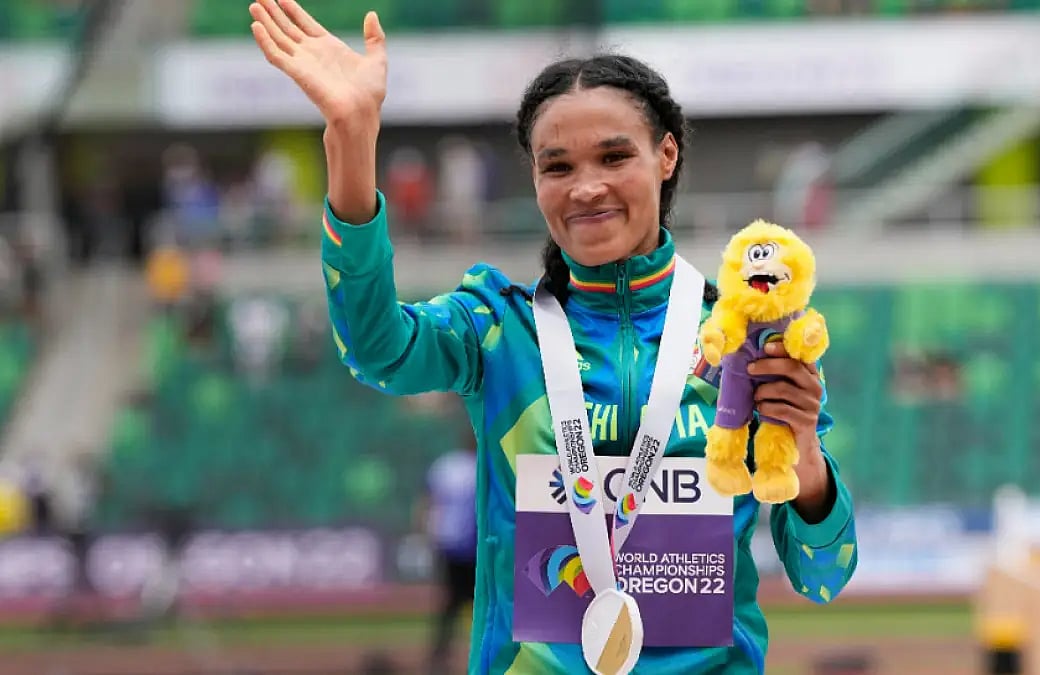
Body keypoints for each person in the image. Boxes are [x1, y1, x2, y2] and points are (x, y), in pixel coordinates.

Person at [248, 2, 858, 673]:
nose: (586, 186)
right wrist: (353, 140)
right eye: (557, 166)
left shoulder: (744, 338)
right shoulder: (497, 329)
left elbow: (824, 573)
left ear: (666, 154)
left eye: (614, 155)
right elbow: (375, 349)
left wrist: (802, 456)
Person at [419, 432, 479, 674]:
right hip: (470, 546)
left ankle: (439, 656)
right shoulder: (482, 465)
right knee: (476, 601)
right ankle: (483, 652)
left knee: (451, 603)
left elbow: (428, 501)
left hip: (449, 543)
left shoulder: (446, 465)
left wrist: (427, 531)